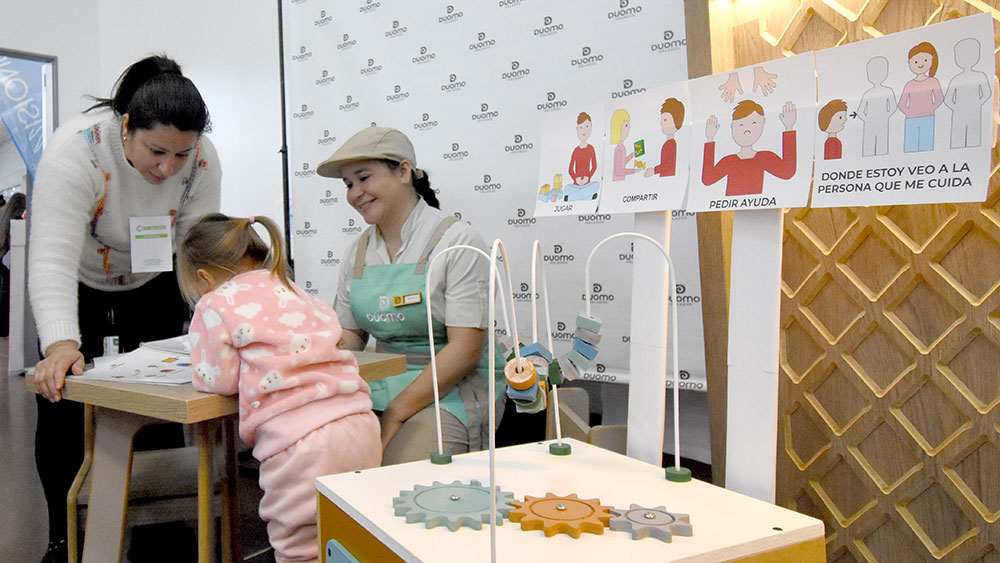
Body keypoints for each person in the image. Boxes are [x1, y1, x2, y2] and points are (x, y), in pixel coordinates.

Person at [28, 55, 221, 562]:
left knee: (160, 396)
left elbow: (199, 253)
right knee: (64, 399)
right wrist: (61, 344)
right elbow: (50, 257)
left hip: (155, 278)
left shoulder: (201, 159)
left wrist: (215, 324)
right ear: (127, 125)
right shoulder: (77, 152)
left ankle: (161, 532)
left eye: (181, 154)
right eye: (156, 151)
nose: (168, 168)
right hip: (81, 279)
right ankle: (64, 535)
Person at [179, 213, 380, 563]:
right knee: (355, 538)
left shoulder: (216, 301)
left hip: (299, 443)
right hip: (360, 424)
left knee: (300, 549)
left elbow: (218, 380)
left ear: (204, 278)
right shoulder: (292, 287)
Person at [318, 126, 503, 465]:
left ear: (404, 172)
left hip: (448, 392)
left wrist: (396, 412)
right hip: (377, 388)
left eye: (364, 178)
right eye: (348, 184)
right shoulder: (357, 252)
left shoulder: (457, 241)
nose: (355, 193)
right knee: (326, 463)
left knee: (400, 474)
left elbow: (465, 350)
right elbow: (350, 335)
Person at [703, 99, 797, 196]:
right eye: (741, 125)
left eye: (754, 123)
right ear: (732, 127)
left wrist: (789, 128)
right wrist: (709, 139)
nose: (747, 130)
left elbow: (787, 171)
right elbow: (708, 179)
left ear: (763, 123)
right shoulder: (729, 161)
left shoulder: (764, 158)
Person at [898, 41, 944, 153]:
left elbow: (940, 98)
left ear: (932, 60)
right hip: (911, 119)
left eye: (925, 60)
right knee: (910, 148)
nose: (920, 64)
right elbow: (901, 103)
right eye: (916, 61)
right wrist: (909, 112)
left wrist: (931, 108)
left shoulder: (933, 82)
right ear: (909, 63)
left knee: (926, 147)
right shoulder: (909, 84)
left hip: (928, 117)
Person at [645, 98, 685, 178]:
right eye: (662, 120)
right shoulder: (669, 143)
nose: (661, 123)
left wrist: (654, 170)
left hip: (668, 178)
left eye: (665, 120)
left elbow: (669, 166)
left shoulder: (671, 144)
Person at [610, 108, 636, 181]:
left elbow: (622, 163)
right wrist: (634, 171)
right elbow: (618, 171)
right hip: (618, 180)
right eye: (626, 125)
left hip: (619, 180)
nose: (629, 128)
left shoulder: (621, 147)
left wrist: (632, 155)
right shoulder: (619, 149)